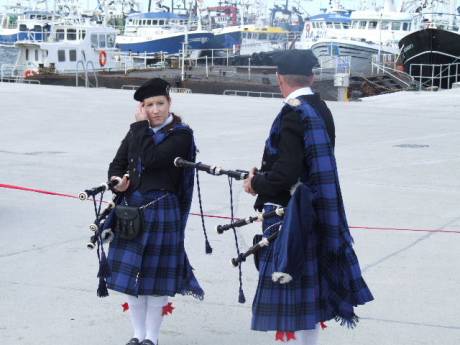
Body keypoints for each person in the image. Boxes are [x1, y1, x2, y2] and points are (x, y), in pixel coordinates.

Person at [243, 49, 374, 344]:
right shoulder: (320, 108)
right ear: (312, 77)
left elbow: (286, 174)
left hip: (291, 214)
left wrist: (256, 182)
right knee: (309, 297)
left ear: (279, 79)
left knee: (296, 290)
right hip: (315, 208)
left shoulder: (293, 113)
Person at [104, 78, 204, 345]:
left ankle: (152, 338)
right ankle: (137, 336)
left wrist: (139, 126)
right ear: (142, 107)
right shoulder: (136, 132)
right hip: (132, 211)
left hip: (162, 212)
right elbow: (117, 164)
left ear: (170, 103)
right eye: (149, 105)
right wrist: (117, 182)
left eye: (160, 103)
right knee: (134, 279)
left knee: (156, 280)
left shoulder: (181, 134)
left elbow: (152, 159)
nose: (156, 110)